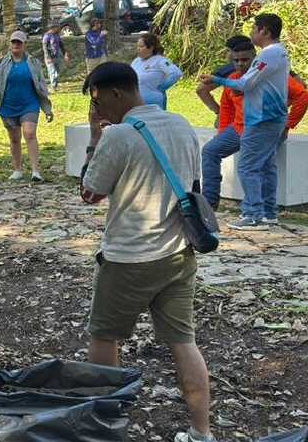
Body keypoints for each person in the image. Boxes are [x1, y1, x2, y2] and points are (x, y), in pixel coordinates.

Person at [79, 62, 212, 442]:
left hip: (129, 257)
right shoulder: (181, 124)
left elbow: (89, 193)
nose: (97, 110)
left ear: (116, 93)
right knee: (184, 342)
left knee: (104, 337)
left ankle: (107, 426)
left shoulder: (118, 135)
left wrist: (94, 138)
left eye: (97, 100)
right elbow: (194, 183)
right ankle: (201, 432)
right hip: (179, 253)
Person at [197, 38, 308, 210]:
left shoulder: (270, 76)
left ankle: (260, 212)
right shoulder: (232, 78)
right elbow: (226, 109)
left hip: (265, 128)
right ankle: (210, 203)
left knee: (260, 166)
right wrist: (222, 133)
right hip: (239, 129)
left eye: (245, 60)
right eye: (236, 60)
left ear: (254, 58)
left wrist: (288, 124)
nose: (240, 64)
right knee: (210, 151)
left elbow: (303, 94)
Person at [202, 13, 291, 229]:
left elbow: (245, 84)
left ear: (265, 31)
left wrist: (217, 79)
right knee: (266, 166)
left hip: (261, 118)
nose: (251, 32)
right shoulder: (279, 53)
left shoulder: (268, 55)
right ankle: (268, 212)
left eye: (254, 28)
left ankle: (253, 214)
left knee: (248, 167)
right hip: (270, 118)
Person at [0, 31, 54, 182]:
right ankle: (17, 169)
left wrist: (47, 108)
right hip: (8, 105)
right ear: (9, 44)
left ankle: (36, 171)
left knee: (29, 133)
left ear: (25, 45)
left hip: (29, 104)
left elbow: (41, 85)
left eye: (19, 42)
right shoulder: (0, 64)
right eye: (13, 42)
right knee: (14, 139)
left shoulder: (33, 63)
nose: (16, 45)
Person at [131, 33, 183, 109]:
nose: (138, 49)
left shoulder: (160, 60)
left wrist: (162, 87)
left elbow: (176, 73)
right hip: (135, 103)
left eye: (141, 46)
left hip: (153, 103)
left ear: (151, 47)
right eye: (138, 46)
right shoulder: (136, 61)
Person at [41, 24, 70, 89]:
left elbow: (61, 45)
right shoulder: (47, 36)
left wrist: (65, 53)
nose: (59, 29)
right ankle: (53, 86)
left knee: (58, 70)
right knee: (52, 71)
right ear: (53, 28)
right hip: (50, 56)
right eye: (58, 28)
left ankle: (55, 84)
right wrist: (48, 57)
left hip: (57, 55)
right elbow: (45, 48)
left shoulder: (56, 35)